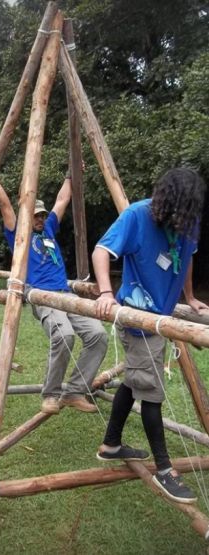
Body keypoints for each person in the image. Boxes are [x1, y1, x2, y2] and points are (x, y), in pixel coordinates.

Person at [93, 167, 207, 503]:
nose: (183, 219)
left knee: (136, 381)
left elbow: (187, 259)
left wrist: (189, 297)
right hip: (138, 319)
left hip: (162, 316)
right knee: (152, 393)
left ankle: (111, 444)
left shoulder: (187, 221)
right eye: (179, 210)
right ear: (166, 201)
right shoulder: (137, 215)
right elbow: (102, 251)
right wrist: (104, 293)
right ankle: (164, 469)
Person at [0, 156, 108, 414]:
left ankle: (74, 391)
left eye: (42, 215)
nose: (40, 219)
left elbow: (63, 200)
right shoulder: (19, 233)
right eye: (36, 215)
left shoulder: (49, 230)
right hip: (42, 296)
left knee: (97, 335)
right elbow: (5, 205)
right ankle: (51, 394)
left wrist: (71, 174)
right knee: (64, 335)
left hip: (65, 293)